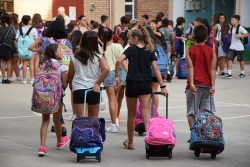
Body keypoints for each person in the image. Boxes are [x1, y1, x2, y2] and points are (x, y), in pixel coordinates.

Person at [114, 28, 167, 150]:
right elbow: (156, 69)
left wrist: (116, 76)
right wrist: (163, 86)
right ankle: (150, 142)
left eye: (129, 38)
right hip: (145, 84)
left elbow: (119, 61)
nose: (128, 40)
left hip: (132, 84)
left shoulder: (130, 50)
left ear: (135, 38)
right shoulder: (149, 51)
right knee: (146, 113)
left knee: (131, 114)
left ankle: (131, 143)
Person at [68, 31, 109, 118]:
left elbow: (70, 75)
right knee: (93, 119)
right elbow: (106, 69)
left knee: (82, 120)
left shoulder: (74, 57)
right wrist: (98, 83)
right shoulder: (98, 56)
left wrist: (71, 87)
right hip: (94, 89)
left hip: (79, 88)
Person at [36, 43, 68, 156]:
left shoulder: (44, 65)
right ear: (55, 53)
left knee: (45, 121)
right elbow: (64, 84)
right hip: (56, 98)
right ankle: (59, 141)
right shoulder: (61, 66)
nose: (62, 52)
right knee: (57, 120)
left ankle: (42, 147)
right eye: (60, 50)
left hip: (43, 97)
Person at [185, 24, 217, 129]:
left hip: (194, 87)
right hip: (207, 86)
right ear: (207, 38)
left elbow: (190, 68)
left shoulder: (189, 50)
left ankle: (194, 136)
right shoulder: (211, 51)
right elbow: (213, 69)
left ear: (193, 37)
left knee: (191, 113)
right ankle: (203, 136)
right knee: (206, 113)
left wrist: (191, 84)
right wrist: (213, 86)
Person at [100, 28, 123, 132]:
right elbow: (123, 61)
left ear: (101, 37)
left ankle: (114, 124)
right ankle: (116, 120)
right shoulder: (118, 46)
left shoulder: (101, 49)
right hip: (119, 73)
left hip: (108, 73)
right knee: (116, 98)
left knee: (111, 100)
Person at [223, 15, 249, 79]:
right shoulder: (232, 27)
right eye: (231, 19)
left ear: (237, 20)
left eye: (233, 20)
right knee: (229, 58)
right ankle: (229, 73)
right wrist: (230, 32)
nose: (231, 21)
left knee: (241, 60)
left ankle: (242, 73)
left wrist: (241, 36)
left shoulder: (240, 28)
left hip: (239, 47)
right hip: (232, 46)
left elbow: (247, 34)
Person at [16, 15, 38, 84]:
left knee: (24, 63)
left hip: (23, 49)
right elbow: (36, 39)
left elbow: (16, 38)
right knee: (31, 63)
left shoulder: (20, 29)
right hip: (31, 48)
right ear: (28, 21)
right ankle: (32, 79)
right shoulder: (33, 29)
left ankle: (24, 79)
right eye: (30, 20)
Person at [68, 30, 82, 121]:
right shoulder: (82, 48)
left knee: (73, 93)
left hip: (73, 69)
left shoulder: (71, 47)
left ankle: (74, 113)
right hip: (81, 70)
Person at [117, 30, 129, 126]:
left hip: (123, 73)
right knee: (129, 97)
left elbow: (120, 61)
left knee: (119, 96)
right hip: (126, 73)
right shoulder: (128, 47)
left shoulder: (122, 48)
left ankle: (117, 114)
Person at [0, 12, 16, 84]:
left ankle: (3, 78)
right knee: (9, 62)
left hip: (1, 46)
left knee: (3, 62)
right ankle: (8, 78)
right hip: (9, 46)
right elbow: (13, 37)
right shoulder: (11, 27)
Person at [9, 13, 22, 82]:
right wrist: (16, 47)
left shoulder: (10, 27)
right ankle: (12, 75)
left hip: (10, 46)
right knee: (13, 62)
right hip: (15, 46)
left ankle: (16, 75)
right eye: (17, 18)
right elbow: (14, 39)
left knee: (13, 62)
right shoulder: (14, 28)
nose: (18, 19)